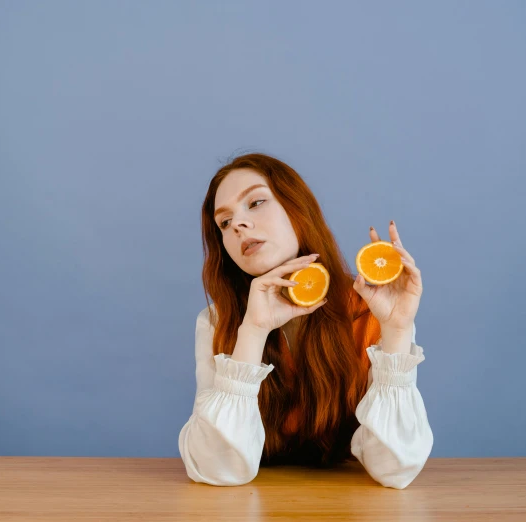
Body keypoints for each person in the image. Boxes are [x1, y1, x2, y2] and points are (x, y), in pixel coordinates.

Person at [178, 153, 433, 489]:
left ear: (298, 209)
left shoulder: (373, 311)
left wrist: (398, 331)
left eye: (255, 202)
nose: (238, 224)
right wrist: (252, 332)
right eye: (224, 223)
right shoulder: (217, 323)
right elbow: (217, 469)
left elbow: (395, 470)